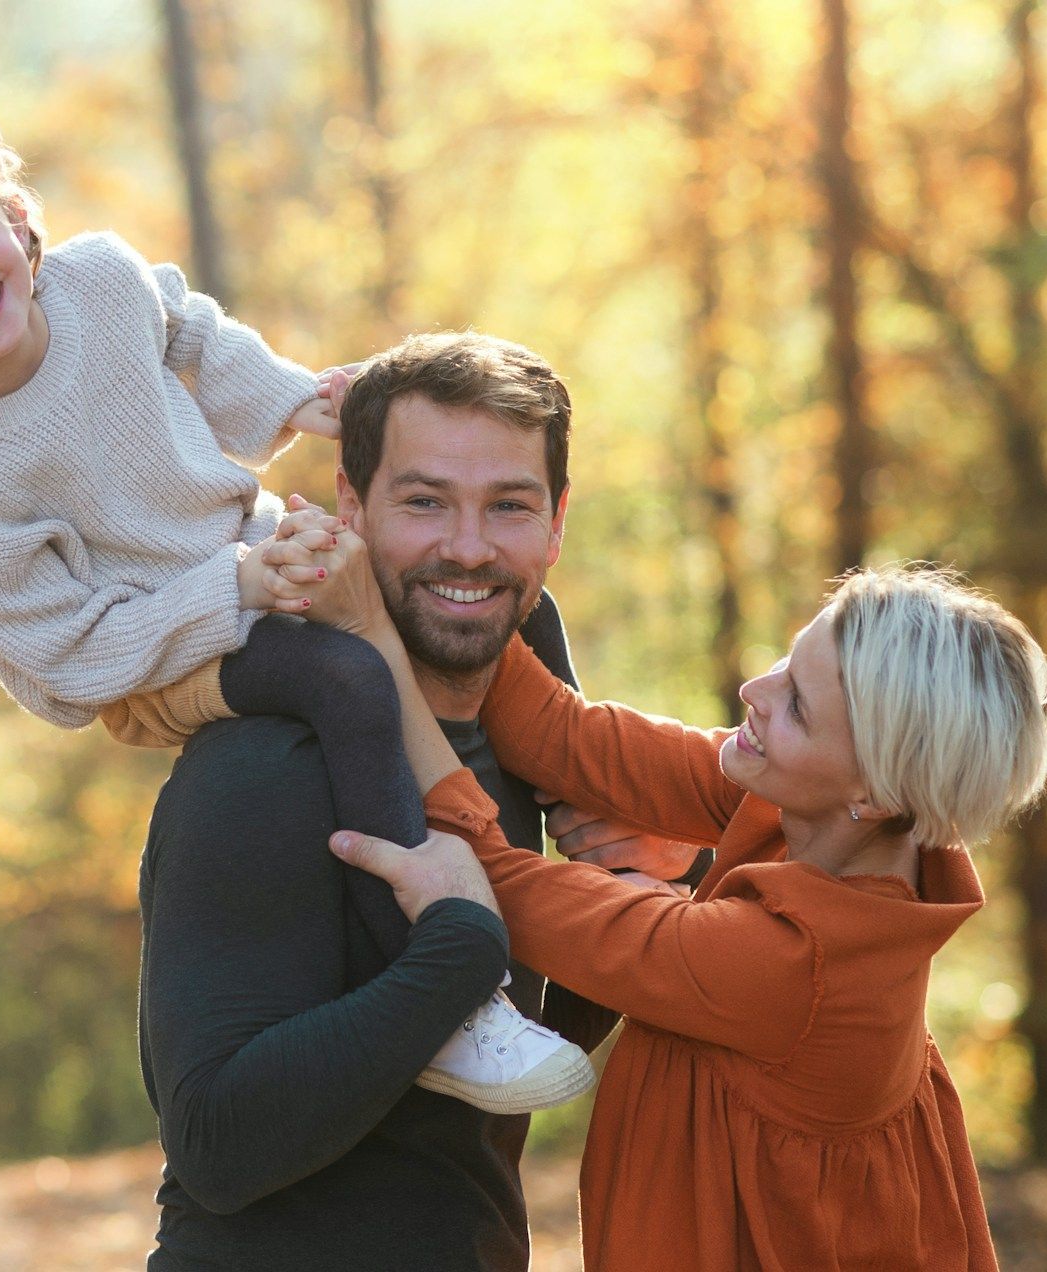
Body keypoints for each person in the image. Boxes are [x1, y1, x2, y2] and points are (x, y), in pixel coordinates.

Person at [0, 82, 596, 1114]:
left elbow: (191, 334)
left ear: (16, 217)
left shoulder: (102, 282)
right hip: (149, 648)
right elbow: (70, 654)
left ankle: (597, 825)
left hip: (245, 554)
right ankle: (449, 1000)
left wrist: (295, 399)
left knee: (474, 591)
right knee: (341, 676)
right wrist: (237, 585)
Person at [137, 332, 698, 1269]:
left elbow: (504, 1070)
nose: (468, 548)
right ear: (352, 505)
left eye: (508, 506)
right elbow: (216, 1148)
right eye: (424, 501)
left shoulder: (525, 741)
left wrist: (641, 901)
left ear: (557, 522)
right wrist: (456, 952)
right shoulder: (267, 761)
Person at [334, 562, 1047, 1270]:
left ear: (871, 794)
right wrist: (481, 567)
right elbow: (564, 736)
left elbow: (493, 878)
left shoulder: (794, 967)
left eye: (798, 705)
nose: (756, 689)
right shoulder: (829, 812)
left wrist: (377, 643)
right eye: (787, 659)